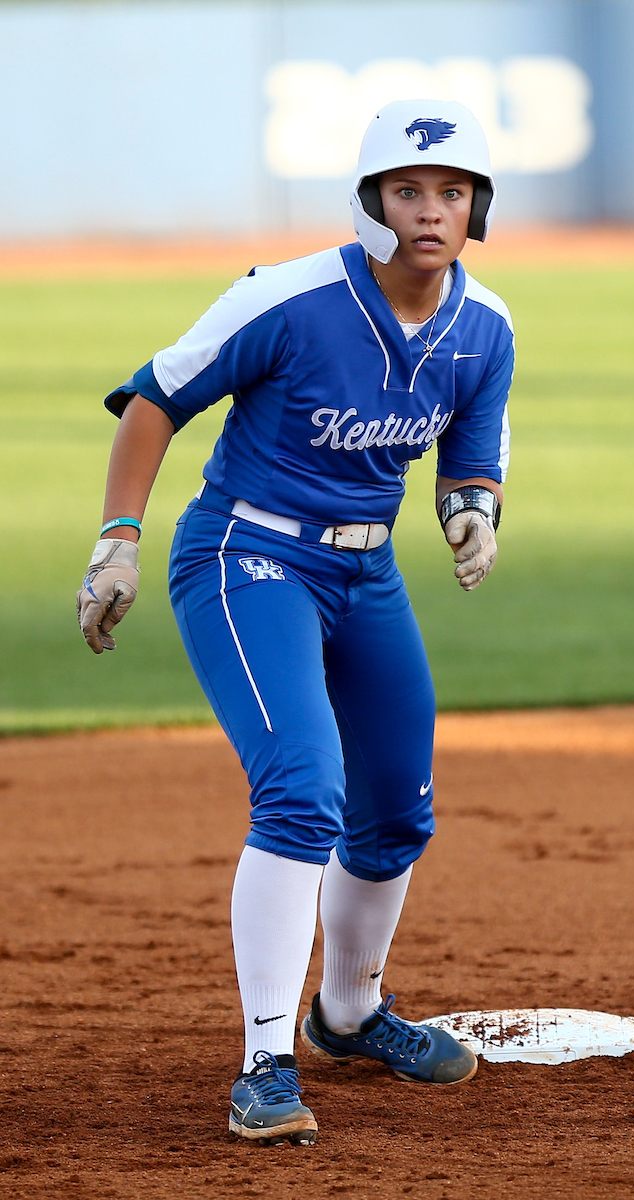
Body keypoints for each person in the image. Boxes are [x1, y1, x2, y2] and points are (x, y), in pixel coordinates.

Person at [77, 99, 513, 1145]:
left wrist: (471, 509)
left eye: (452, 192)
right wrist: (118, 538)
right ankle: (263, 1062)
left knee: (396, 811)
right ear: (370, 203)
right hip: (245, 556)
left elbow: (470, 450)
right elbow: (155, 399)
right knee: (303, 790)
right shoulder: (289, 299)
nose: (430, 210)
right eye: (407, 190)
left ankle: (349, 1015)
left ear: (477, 209)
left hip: (367, 573)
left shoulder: (484, 327)